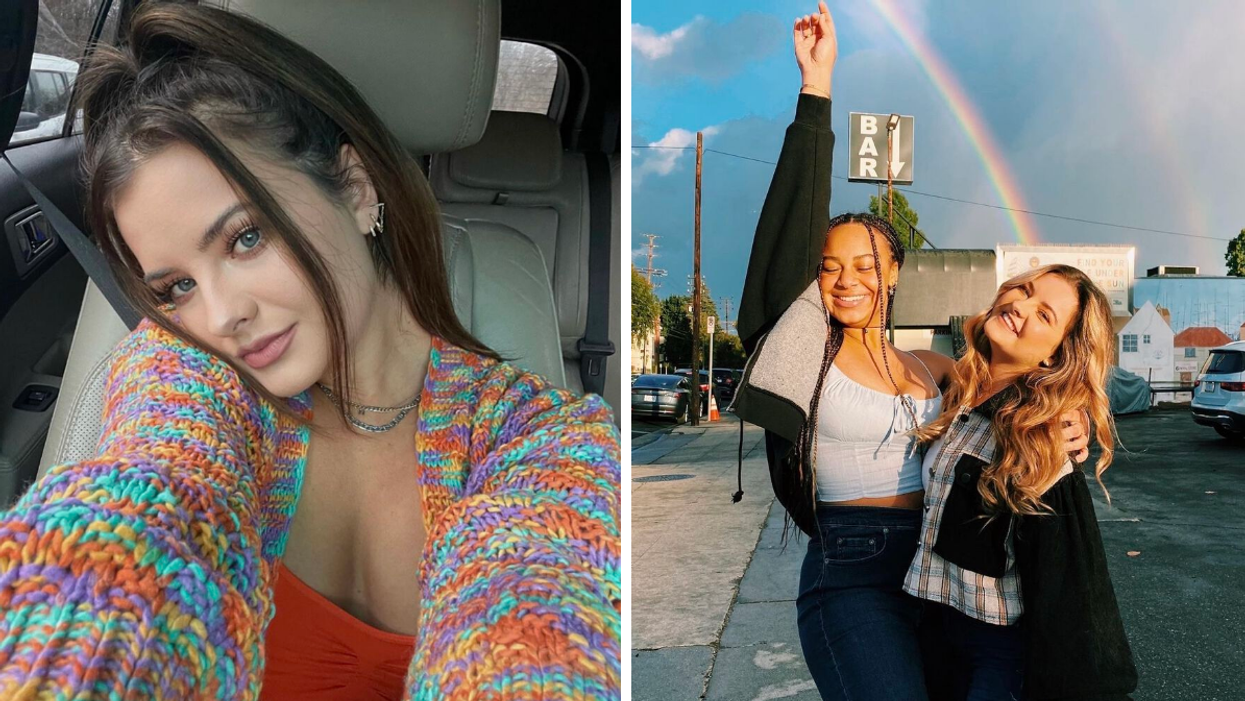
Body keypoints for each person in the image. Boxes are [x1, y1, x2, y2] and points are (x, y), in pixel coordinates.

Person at [0, 5, 620, 700]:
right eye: (175, 286)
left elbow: (538, 600)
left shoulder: (541, 441)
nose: (220, 315)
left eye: (244, 238)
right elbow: (147, 503)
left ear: (355, 189)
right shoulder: (186, 376)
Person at [732, 4, 1088, 700]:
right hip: (850, 569)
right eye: (829, 266)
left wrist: (1079, 431)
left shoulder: (939, 369)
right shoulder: (806, 353)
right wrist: (817, 88)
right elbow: (788, 244)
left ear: (894, 272)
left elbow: (1030, 393)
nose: (846, 279)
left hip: (942, 575)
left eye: (865, 265)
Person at [907, 266, 1137, 701]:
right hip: (933, 630)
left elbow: (1072, 584)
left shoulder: (1042, 438)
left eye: (1045, 314)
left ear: (1053, 355)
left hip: (995, 651)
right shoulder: (958, 394)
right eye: (1024, 290)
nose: (1020, 306)